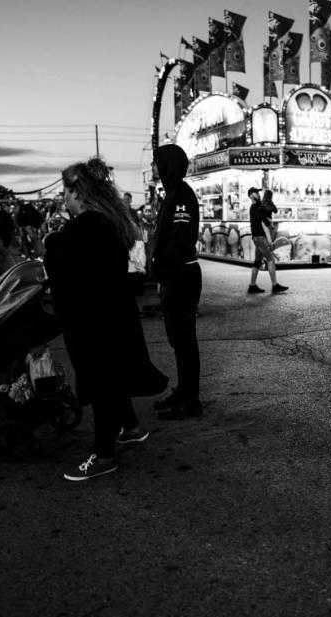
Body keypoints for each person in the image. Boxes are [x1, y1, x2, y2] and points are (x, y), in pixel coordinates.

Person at [43, 157, 168, 481]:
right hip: (112, 312)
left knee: (102, 382)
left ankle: (104, 454)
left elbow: (62, 259)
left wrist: (51, 241)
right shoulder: (107, 221)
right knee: (113, 374)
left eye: (66, 193)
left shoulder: (88, 225)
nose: (64, 200)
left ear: (78, 193)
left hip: (96, 318)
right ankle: (131, 427)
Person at [148, 144, 204, 420]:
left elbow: (181, 239)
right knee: (177, 339)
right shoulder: (171, 194)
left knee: (184, 341)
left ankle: (190, 402)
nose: (154, 168)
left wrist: (159, 264)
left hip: (182, 274)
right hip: (174, 275)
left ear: (168, 165)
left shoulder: (181, 194)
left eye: (157, 163)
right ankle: (183, 392)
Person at [246, 186, 288, 294]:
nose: (258, 194)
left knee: (257, 261)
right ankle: (275, 285)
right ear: (251, 196)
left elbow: (269, 212)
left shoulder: (258, 206)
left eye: (258, 193)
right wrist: (270, 226)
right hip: (259, 238)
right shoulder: (254, 208)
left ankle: (252, 286)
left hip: (258, 238)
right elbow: (263, 220)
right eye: (255, 193)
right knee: (271, 260)